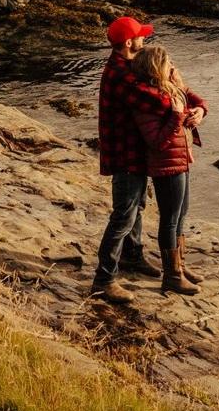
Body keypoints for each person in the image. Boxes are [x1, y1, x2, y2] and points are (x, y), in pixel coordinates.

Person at [87, 17, 207, 305]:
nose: (145, 40)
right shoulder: (120, 73)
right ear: (129, 43)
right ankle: (103, 280)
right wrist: (176, 96)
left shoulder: (129, 65)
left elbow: (168, 89)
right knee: (124, 215)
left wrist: (197, 105)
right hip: (125, 155)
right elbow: (159, 99)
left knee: (137, 208)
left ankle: (133, 257)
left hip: (135, 152)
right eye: (140, 36)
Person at [130, 45, 204, 296]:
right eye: (166, 61)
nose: (171, 64)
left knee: (181, 214)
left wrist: (198, 112)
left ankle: (179, 267)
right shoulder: (146, 99)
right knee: (170, 219)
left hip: (181, 159)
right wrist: (175, 116)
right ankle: (172, 276)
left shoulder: (170, 88)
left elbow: (197, 100)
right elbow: (157, 142)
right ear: (154, 67)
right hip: (166, 165)